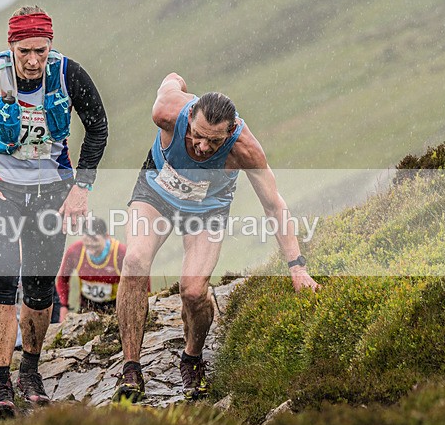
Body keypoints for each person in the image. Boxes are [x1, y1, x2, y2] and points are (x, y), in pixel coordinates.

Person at [113, 73, 320, 403]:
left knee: (193, 290)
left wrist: (297, 266)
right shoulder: (167, 111)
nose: (202, 146)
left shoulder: (245, 149)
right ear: (190, 116)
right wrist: (181, 84)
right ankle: (131, 369)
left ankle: (192, 359)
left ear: (231, 130)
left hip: (206, 209)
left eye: (214, 142)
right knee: (135, 262)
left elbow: (274, 205)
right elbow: (171, 79)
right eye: (197, 135)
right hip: (154, 193)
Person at [0, 6, 109, 417]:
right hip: (1, 193)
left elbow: (98, 126)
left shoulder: (67, 73)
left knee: (40, 288)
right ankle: (1, 383)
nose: (33, 60)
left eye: (41, 50)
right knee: (1, 281)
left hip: (50, 193)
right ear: (11, 46)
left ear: (49, 45)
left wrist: (82, 187)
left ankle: (31, 371)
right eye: (25, 51)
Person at [56, 217, 126, 317]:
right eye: (86, 241)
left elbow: (140, 279)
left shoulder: (120, 252)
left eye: (95, 240)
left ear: (106, 236)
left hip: (115, 307)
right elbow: (63, 278)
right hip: (86, 307)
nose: (91, 245)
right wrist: (63, 305)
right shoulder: (75, 251)